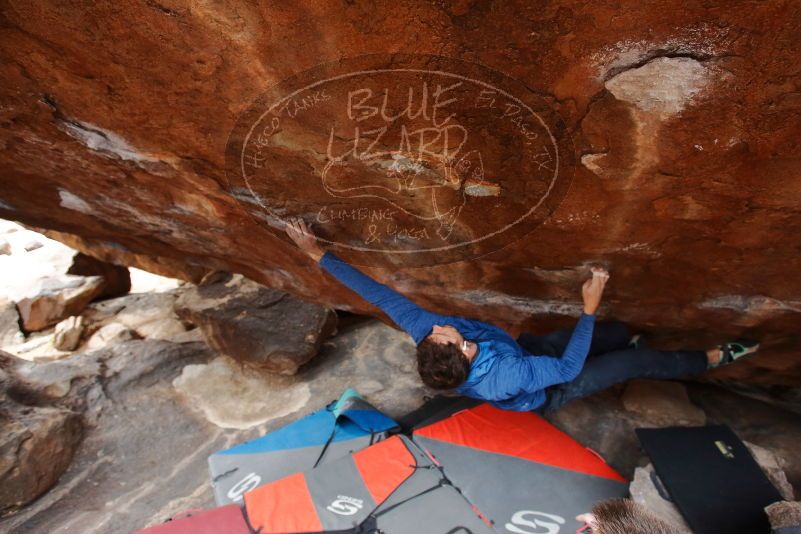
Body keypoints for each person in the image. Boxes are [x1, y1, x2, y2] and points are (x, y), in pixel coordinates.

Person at [284, 217, 759, 413]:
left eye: (438, 333)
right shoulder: (502, 378)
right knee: (628, 363)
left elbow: (379, 296)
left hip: (525, 352)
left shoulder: (429, 335)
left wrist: (317, 256)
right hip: (550, 383)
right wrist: (587, 308)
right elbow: (568, 369)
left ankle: (621, 338)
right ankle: (711, 357)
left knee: (615, 333)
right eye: (449, 335)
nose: (441, 326)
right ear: (465, 351)